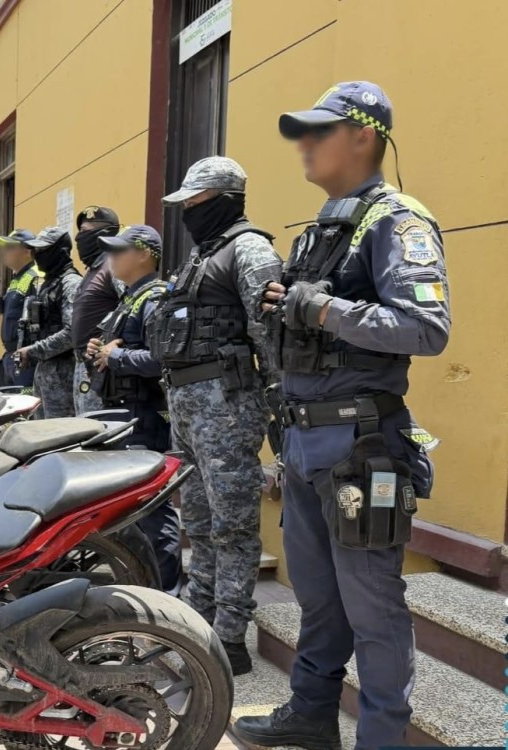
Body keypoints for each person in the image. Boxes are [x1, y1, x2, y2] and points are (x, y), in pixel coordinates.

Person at [234, 82, 450, 750]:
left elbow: (426, 326)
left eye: (318, 131)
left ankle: (381, 739)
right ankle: (311, 715)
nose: (303, 143)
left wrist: (323, 308)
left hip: (361, 445)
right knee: (318, 600)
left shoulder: (397, 219)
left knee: (373, 609)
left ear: (364, 135)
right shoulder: (326, 226)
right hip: (305, 440)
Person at [148, 156, 282, 676]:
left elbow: (270, 339)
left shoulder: (250, 251)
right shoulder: (204, 254)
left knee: (233, 527)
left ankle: (230, 638)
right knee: (199, 526)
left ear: (225, 200)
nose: (188, 214)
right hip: (187, 407)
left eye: (196, 204)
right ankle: (198, 625)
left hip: (228, 407)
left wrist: (279, 411)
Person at [86, 224, 182, 593]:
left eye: (119, 250)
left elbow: (161, 359)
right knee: (130, 511)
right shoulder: (130, 298)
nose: (111, 257)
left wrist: (117, 355)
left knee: (152, 510)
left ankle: (166, 595)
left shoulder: (155, 297)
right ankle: (141, 586)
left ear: (144, 254)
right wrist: (100, 351)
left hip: (143, 416)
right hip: (123, 414)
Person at [15, 227, 82, 419]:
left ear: (59, 251)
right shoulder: (49, 283)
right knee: (39, 432)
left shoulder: (71, 283)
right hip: (46, 370)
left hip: (64, 374)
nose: (38, 256)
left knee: (58, 435)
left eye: (43, 251)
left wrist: (33, 350)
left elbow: (72, 333)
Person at [71, 205, 122, 414]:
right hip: (83, 366)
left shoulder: (114, 266)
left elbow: (129, 307)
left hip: (100, 367)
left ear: (104, 233)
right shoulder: (93, 270)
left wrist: (115, 342)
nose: (78, 239)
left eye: (85, 232)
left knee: (96, 430)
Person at [0, 228, 40, 389]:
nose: (4, 252)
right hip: (12, 356)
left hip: (28, 359)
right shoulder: (16, 279)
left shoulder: (36, 277)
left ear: (27, 251)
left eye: (10, 247)